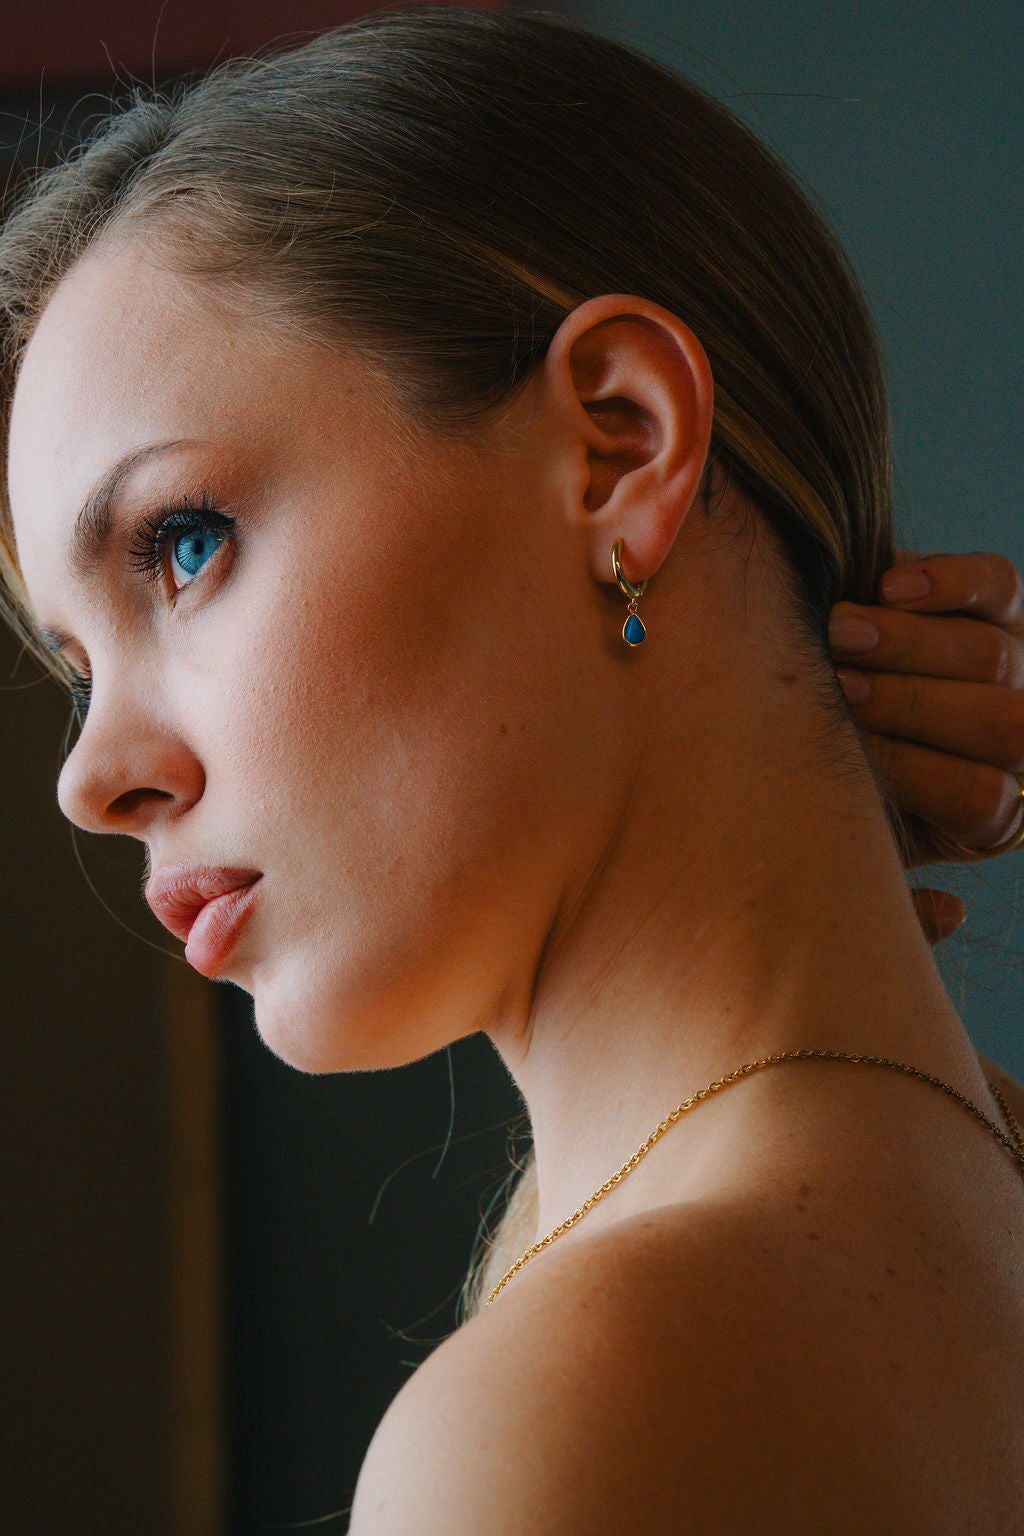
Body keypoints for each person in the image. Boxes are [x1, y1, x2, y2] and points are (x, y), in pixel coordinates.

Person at [2, 8, 1023, 1530]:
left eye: (182, 546)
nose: (94, 778)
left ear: (616, 443)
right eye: (78, 669)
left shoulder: (569, 1416)